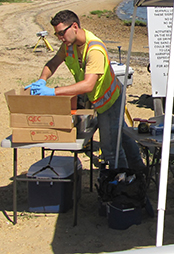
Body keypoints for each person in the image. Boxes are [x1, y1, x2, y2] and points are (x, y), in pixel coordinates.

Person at [25, 10, 145, 171]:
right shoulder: (68, 45)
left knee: (110, 150)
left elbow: (88, 84)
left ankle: (123, 186)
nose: (60, 38)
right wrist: (42, 80)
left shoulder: (94, 49)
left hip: (109, 101)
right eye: (57, 35)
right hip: (96, 98)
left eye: (61, 33)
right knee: (123, 136)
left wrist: (53, 92)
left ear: (74, 26)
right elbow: (52, 63)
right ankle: (139, 172)